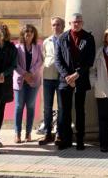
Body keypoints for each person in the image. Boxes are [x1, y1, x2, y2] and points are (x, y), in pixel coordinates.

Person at [55, 13, 96, 150]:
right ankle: (64, 139)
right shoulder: (62, 38)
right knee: (64, 111)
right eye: (74, 22)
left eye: (79, 21)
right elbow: (58, 60)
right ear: (69, 23)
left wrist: (77, 74)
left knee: (80, 110)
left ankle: (80, 139)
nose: (76, 24)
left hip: (80, 78)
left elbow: (90, 60)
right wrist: (67, 76)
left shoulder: (89, 38)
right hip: (64, 80)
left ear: (82, 23)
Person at [13, 23, 43, 143]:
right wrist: (24, 74)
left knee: (30, 107)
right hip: (20, 80)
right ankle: (17, 133)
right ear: (23, 34)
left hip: (33, 81)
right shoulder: (17, 47)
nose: (28, 34)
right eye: (26, 32)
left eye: (31, 31)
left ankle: (28, 133)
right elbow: (15, 64)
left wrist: (30, 73)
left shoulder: (38, 47)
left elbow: (40, 61)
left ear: (34, 34)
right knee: (19, 106)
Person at [39, 17, 64, 146]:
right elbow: (44, 57)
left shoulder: (66, 40)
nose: (56, 27)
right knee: (47, 107)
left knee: (61, 107)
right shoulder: (46, 41)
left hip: (61, 78)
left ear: (63, 26)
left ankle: (59, 133)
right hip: (48, 77)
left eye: (58, 24)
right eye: (54, 25)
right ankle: (47, 132)